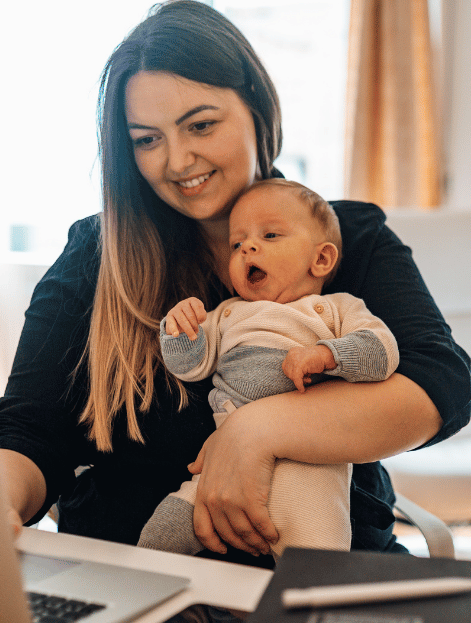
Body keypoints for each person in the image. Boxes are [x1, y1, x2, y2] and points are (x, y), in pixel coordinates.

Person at [0, 0, 471, 566]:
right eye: (147, 139)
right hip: (136, 576)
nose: (177, 160)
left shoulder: (345, 238)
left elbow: (438, 385)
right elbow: (28, 430)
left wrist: (255, 431)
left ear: (257, 108)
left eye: (201, 125)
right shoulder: (97, 255)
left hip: (321, 571)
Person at [139, 178, 399, 558]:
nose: (248, 247)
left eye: (271, 235)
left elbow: (382, 352)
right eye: (237, 244)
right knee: (160, 538)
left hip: (309, 465)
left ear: (321, 259)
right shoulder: (228, 312)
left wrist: (329, 355)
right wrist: (180, 328)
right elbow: (189, 367)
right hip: (224, 463)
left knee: (316, 570)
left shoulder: (337, 307)